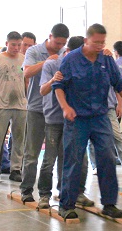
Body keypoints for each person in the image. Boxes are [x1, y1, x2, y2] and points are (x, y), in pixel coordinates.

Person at [53, 24, 122, 219]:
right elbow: (58, 86)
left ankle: (109, 203)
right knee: (74, 160)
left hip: (100, 117)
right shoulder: (71, 60)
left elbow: (119, 83)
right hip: (77, 119)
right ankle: (67, 204)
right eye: (96, 42)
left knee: (107, 158)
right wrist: (65, 107)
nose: (100, 46)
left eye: (102, 42)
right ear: (86, 40)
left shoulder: (106, 59)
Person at [38, 36, 92, 209]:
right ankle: (44, 195)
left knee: (80, 159)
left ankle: (76, 192)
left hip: (75, 119)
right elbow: (43, 90)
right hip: (54, 119)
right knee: (49, 159)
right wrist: (53, 80)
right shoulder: (52, 65)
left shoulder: (86, 66)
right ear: (67, 52)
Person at [20, 23, 69, 200]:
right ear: (49, 37)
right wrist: (46, 62)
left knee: (59, 154)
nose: (59, 46)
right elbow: (27, 73)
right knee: (32, 153)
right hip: (37, 109)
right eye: (57, 42)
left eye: (62, 43)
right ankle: (26, 190)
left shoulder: (65, 53)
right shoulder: (34, 51)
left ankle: (62, 190)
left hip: (56, 112)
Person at [0, 32, 27, 184]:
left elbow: (26, 81)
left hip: (20, 105)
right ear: (7, 44)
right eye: (13, 45)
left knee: (19, 139)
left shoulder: (23, 59)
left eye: (19, 45)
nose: (16, 48)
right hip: (1, 104)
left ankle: (16, 169)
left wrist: (26, 100)